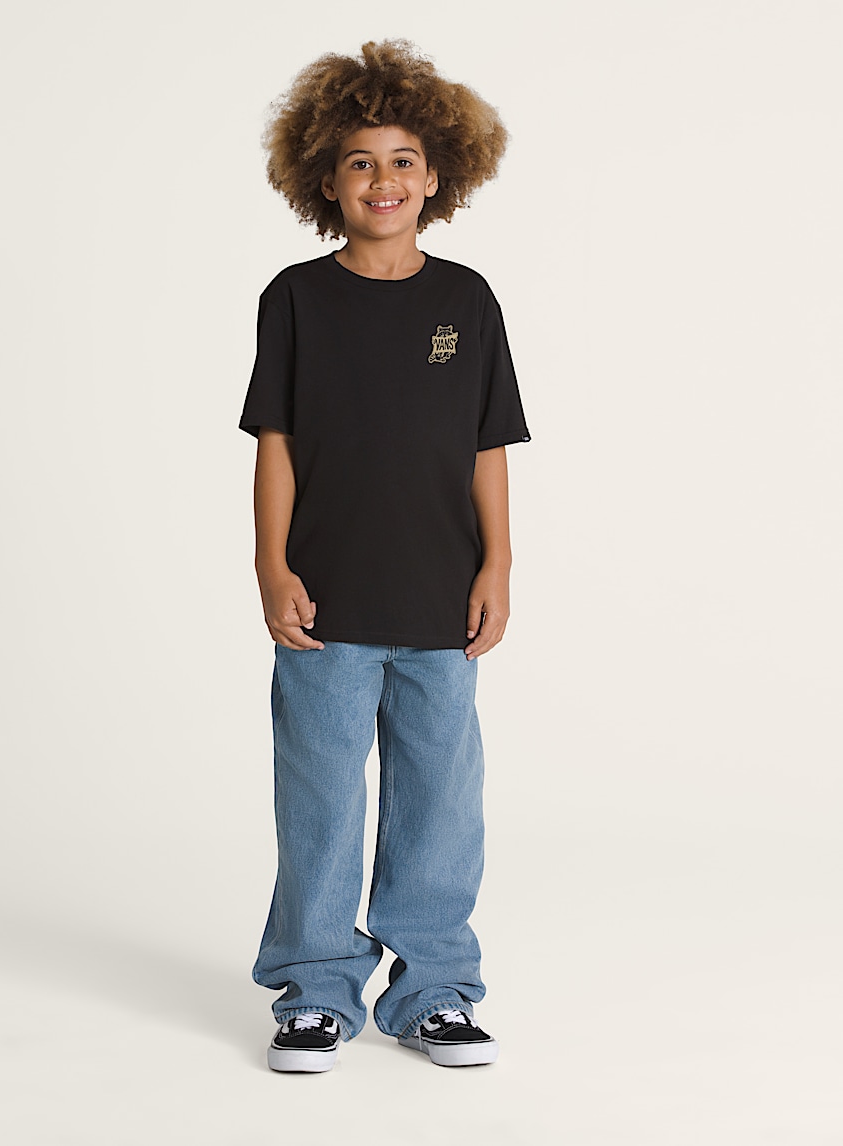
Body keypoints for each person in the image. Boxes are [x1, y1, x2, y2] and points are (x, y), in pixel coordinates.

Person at [238, 39, 531, 1072]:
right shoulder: (295, 299)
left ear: (438, 174)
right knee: (320, 800)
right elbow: (275, 444)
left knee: (440, 805)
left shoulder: (468, 301)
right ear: (325, 179)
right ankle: (316, 990)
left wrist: (498, 567)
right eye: (360, 162)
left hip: (441, 602)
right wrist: (271, 567)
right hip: (324, 603)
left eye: (403, 160)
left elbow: (489, 447)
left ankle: (435, 990)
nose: (383, 179)